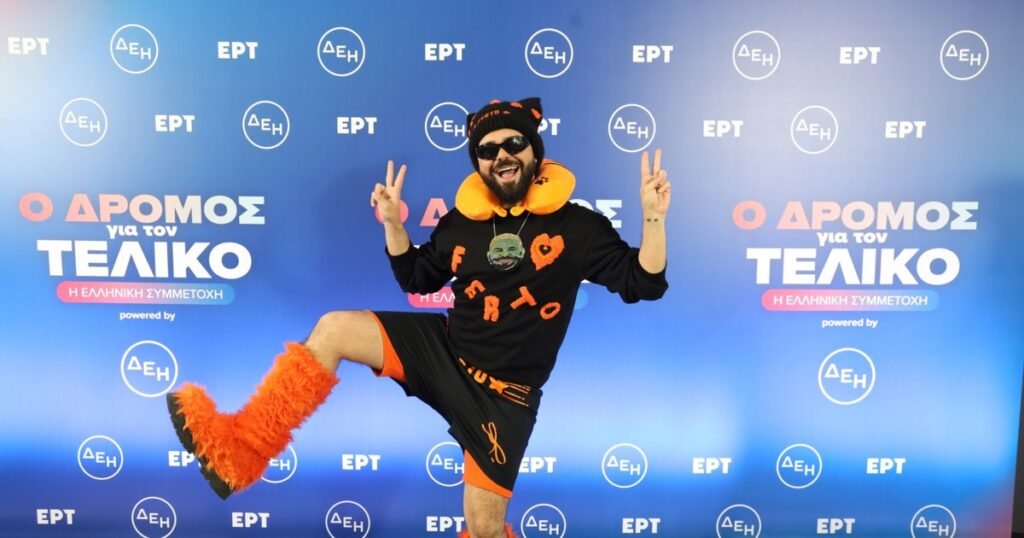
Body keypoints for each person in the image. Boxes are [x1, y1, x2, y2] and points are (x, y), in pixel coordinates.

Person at [166, 97, 671, 538]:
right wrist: (393, 224)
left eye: (514, 143)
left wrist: (652, 217)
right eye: (488, 150)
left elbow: (643, 282)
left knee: (485, 526)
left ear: (534, 151)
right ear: (478, 162)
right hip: (443, 351)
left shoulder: (579, 227)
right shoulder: (461, 224)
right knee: (334, 328)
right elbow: (417, 277)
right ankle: (242, 451)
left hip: (505, 397)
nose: (502, 156)